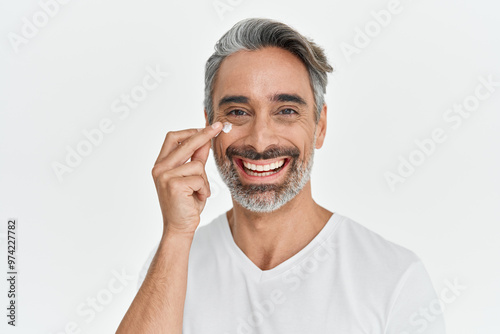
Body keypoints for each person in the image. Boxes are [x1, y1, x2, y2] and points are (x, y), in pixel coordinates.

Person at [117, 18, 446, 334]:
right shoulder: (172, 266)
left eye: (286, 111)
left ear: (320, 126)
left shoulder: (394, 278)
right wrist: (176, 233)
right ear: (209, 127)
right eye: (238, 112)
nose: (260, 140)